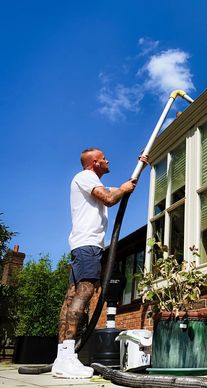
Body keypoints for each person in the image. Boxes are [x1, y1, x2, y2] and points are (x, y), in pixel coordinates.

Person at [52, 148, 148, 379]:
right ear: (94, 163)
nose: (107, 160)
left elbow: (121, 190)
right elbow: (109, 198)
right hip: (88, 246)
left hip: (81, 246)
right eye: (104, 158)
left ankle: (62, 356)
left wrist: (141, 167)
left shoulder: (90, 181)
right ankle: (66, 357)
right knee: (83, 296)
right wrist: (122, 189)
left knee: (71, 297)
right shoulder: (86, 177)